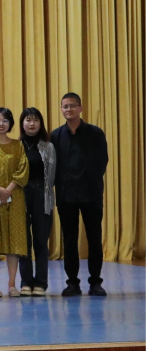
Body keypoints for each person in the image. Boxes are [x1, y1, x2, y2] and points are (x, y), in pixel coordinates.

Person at [50, 92, 108, 297]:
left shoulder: (95, 133)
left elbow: (102, 160)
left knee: (94, 239)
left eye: (73, 105)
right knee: (69, 241)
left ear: (80, 108)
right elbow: (53, 165)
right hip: (66, 196)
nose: (69, 109)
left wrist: (91, 181)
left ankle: (95, 282)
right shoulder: (55, 136)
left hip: (91, 194)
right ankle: (72, 283)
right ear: (61, 109)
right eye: (65, 106)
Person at [0, 107, 29, 297]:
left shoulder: (18, 145)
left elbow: (23, 169)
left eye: (5, 120)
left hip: (14, 197)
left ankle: (11, 285)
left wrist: (8, 189)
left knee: (13, 241)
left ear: (11, 124)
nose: (1, 124)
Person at [18, 107, 56, 296]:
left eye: (35, 120)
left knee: (41, 242)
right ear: (22, 123)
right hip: (21, 198)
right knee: (23, 243)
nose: (31, 124)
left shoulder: (48, 146)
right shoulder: (16, 146)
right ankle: (26, 282)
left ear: (40, 123)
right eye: (28, 120)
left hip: (43, 196)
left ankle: (41, 283)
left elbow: (52, 176)